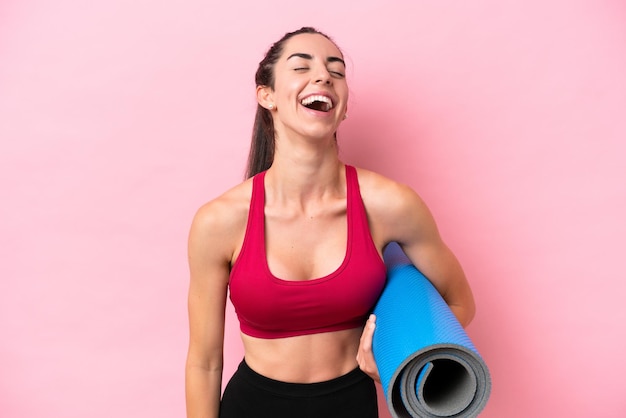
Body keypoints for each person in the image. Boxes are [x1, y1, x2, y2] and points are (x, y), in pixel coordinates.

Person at [185, 27, 476, 418]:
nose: (323, 76)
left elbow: (460, 303)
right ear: (266, 95)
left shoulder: (390, 204)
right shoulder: (219, 221)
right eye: (301, 66)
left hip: (351, 404)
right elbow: (204, 364)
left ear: (343, 106)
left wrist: (396, 356)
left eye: (335, 71)